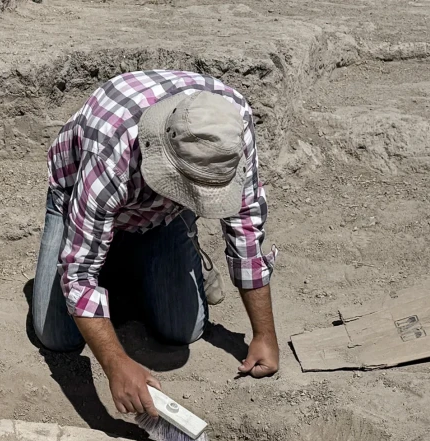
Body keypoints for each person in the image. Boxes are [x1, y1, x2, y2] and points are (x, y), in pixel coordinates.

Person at [31, 70, 279, 418]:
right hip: (78, 196)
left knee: (183, 331)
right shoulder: (111, 148)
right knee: (57, 336)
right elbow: (78, 276)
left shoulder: (231, 127)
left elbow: (246, 226)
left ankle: (131, 259)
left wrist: (263, 334)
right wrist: (116, 365)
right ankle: (112, 251)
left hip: (163, 214)